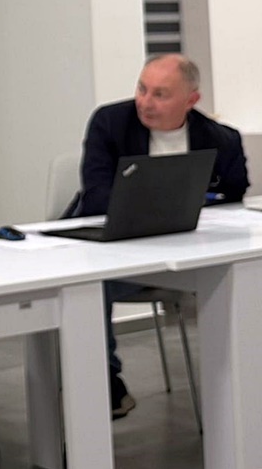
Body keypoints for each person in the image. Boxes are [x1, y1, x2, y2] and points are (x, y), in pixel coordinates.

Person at [74, 53, 249, 419]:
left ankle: (242, 386)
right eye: (142, 89)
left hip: (190, 250)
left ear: (191, 100)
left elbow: (233, 194)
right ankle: (104, 380)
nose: (145, 102)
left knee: (246, 273)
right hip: (118, 250)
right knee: (90, 284)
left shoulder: (221, 139)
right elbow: (96, 196)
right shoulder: (111, 123)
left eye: (160, 94)